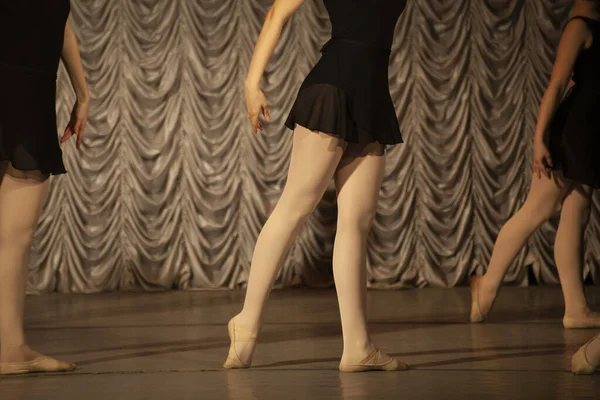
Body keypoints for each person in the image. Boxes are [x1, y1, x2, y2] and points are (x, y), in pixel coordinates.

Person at [224, 0, 408, 372]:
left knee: (357, 222)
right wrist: (251, 83)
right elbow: (278, 11)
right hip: (333, 87)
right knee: (295, 206)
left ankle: (358, 346)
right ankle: (246, 321)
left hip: (370, 94)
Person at [470, 0, 600, 329]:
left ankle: (576, 309)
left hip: (588, 135)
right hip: (570, 133)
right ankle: (487, 284)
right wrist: (539, 139)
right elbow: (557, 84)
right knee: (536, 210)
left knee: (577, 215)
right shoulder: (579, 25)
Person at [0, 0, 88, 375]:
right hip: (20, 85)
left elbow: (59, 22)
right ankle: (9, 349)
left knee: (14, 238)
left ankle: (10, 348)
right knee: (14, 238)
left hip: (31, 91)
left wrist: (83, 93)